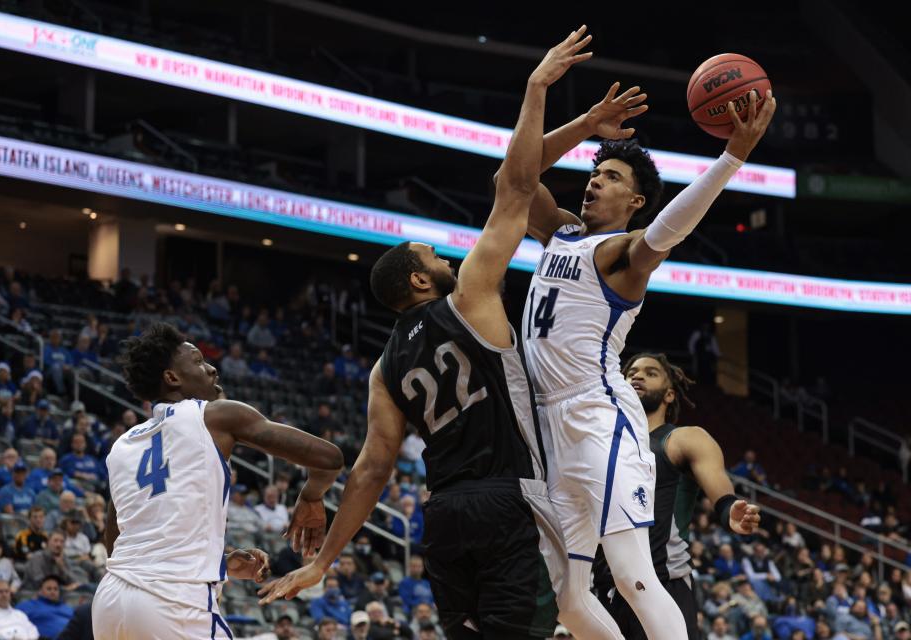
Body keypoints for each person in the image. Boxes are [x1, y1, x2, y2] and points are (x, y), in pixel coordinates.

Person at [259, 28, 641, 640]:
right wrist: (538, 87)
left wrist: (325, 561)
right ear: (418, 279)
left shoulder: (384, 368)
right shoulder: (471, 297)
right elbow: (514, 185)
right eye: (433, 254)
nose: (444, 257)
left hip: (443, 515)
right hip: (506, 498)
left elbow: (372, 468)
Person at [519, 41, 776, 636]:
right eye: (593, 172)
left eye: (609, 177)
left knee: (634, 576)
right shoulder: (560, 233)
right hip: (549, 426)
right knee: (569, 598)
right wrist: (573, 117)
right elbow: (514, 174)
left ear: (634, 201)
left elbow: (668, 231)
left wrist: (732, 157)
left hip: (597, 415)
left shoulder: (622, 255)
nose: (593, 183)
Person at [91, 323, 344, 638]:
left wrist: (218, 561)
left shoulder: (123, 444)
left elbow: (117, 541)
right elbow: (330, 458)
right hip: (174, 603)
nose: (211, 368)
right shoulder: (215, 416)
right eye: (197, 362)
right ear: (172, 378)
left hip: (111, 602)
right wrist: (311, 495)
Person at [593, 353, 761, 640]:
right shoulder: (601, 442)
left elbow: (721, 494)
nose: (637, 376)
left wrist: (729, 509)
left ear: (670, 394)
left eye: (650, 372)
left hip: (663, 584)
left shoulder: (683, 439)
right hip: (607, 589)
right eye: (631, 371)